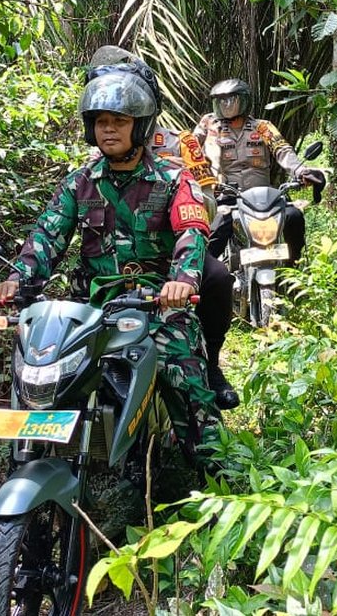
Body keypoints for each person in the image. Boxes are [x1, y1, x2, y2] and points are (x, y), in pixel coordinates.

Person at [0, 67, 221, 471]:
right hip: (92, 305)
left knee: (185, 377)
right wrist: (18, 278)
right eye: (101, 122)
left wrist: (181, 281)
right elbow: (46, 236)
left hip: (155, 303)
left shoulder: (173, 179)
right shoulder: (79, 183)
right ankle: (34, 460)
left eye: (119, 121)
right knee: (41, 367)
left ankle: (215, 469)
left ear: (141, 126)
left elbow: (192, 232)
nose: (109, 130)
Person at [86, 46, 238, 410]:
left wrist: (179, 201)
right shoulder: (96, 158)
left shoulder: (179, 142)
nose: (111, 124)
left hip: (172, 253)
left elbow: (205, 193)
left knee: (216, 277)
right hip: (115, 266)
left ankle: (211, 364)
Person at [194, 78, 326, 262]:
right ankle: (205, 278)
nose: (225, 104)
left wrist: (300, 171)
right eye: (221, 100)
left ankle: (292, 267)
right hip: (227, 196)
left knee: (294, 216)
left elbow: (282, 149)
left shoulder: (262, 127)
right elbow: (189, 146)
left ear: (244, 100)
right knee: (214, 234)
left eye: (231, 99)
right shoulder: (209, 124)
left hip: (265, 197)